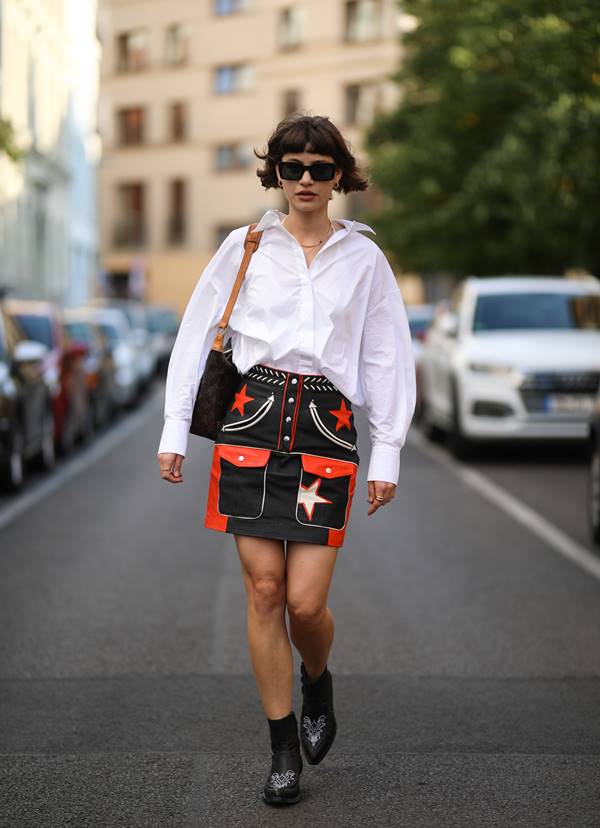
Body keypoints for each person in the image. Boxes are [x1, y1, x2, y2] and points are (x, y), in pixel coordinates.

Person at [156, 113, 416, 806]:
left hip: (326, 426)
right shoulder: (243, 246)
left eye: (320, 168)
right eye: (293, 166)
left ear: (339, 177)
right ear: (274, 171)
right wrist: (174, 430)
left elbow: (387, 352)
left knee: (306, 602)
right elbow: (197, 332)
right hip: (252, 417)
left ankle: (319, 678)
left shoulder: (364, 258)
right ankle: (281, 751)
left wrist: (386, 449)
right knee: (265, 591)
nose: (305, 179)